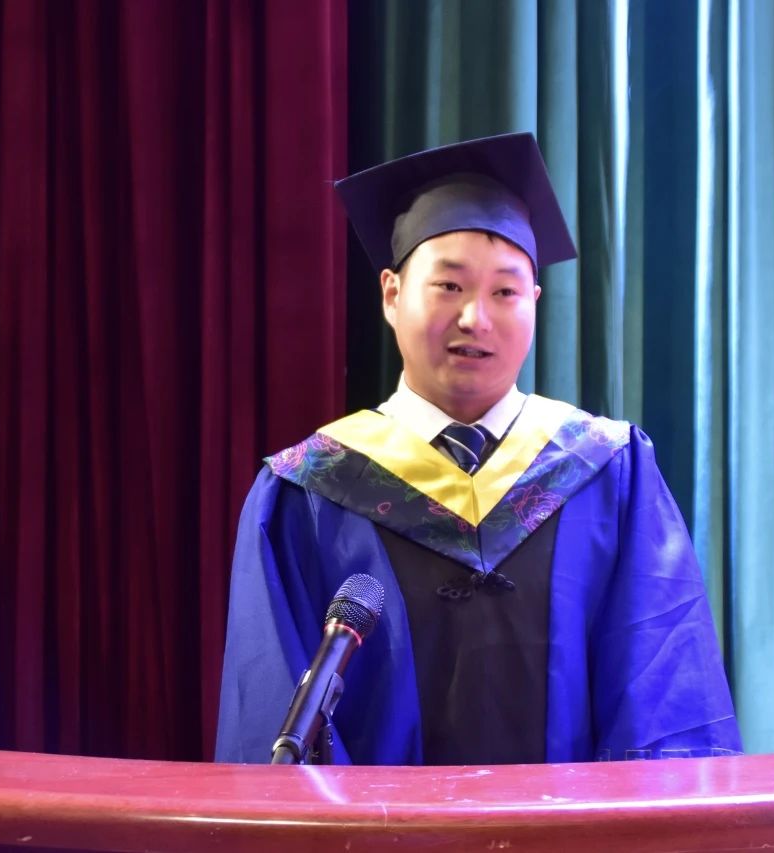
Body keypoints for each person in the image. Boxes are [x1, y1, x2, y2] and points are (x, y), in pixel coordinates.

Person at [215, 133, 741, 765]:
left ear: (535, 303)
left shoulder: (605, 470)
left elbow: (665, 704)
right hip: (378, 825)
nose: (476, 319)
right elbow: (270, 717)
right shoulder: (309, 488)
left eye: (505, 292)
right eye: (449, 286)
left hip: (573, 823)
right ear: (391, 294)